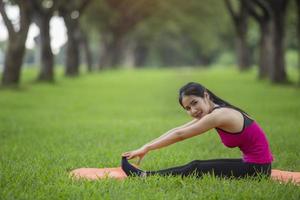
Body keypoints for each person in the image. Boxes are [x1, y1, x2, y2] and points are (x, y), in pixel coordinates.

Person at [121, 82, 273, 179]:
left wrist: (146, 148)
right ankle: (145, 175)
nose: (193, 110)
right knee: (197, 166)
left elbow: (180, 135)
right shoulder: (215, 111)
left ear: (206, 96)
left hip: (257, 170)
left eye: (195, 103)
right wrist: (145, 147)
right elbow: (178, 129)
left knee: (196, 167)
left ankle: (144, 176)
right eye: (187, 108)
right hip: (257, 165)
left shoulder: (219, 115)